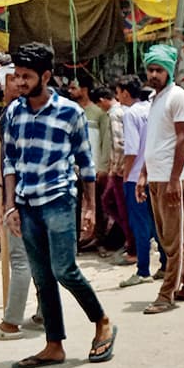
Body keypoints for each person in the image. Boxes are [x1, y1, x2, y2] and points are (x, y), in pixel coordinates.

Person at [1, 43, 115, 368]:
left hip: (60, 200)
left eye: (26, 76)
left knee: (64, 269)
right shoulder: (13, 113)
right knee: (41, 276)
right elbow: (9, 162)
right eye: (17, 76)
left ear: (46, 76)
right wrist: (10, 207)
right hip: (26, 203)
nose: (20, 82)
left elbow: (86, 165)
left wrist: (90, 208)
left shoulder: (70, 112)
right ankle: (54, 345)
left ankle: (102, 321)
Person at [0, 66, 45, 341]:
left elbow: (11, 163)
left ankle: (11, 323)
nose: (4, 88)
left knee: (21, 258)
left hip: (24, 194)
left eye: (6, 82)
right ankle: (44, 313)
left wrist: (9, 202)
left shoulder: (15, 113)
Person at [136, 45, 184, 314]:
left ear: (169, 71)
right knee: (172, 237)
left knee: (172, 242)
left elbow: (183, 139)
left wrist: (174, 179)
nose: (153, 74)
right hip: (156, 177)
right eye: (150, 69)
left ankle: (166, 294)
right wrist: (142, 174)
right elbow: (152, 141)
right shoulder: (155, 99)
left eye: (158, 70)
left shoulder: (179, 98)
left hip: (173, 178)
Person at [116, 75, 165, 287]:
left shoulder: (131, 114)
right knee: (158, 222)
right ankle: (165, 263)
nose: (117, 97)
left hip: (137, 174)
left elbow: (131, 150)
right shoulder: (152, 109)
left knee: (140, 224)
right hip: (156, 172)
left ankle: (143, 269)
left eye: (118, 92)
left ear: (126, 93)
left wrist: (126, 173)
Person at [67, 72, 113, 250]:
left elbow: (105, 140)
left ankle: (100, 241)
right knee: (74, 205)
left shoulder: (99, 113)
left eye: (74, 87)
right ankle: (74, 243)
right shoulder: (70, 111)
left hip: (93, 167)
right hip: (73, 167)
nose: (70, 91)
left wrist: (102, 166)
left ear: (84, 89)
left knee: (98, 206)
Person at [93, 86, 134, 264]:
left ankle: (132, 245)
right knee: (116, 204)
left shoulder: (114, 114)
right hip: (123, 168)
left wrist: (113, 169)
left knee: (118, 206)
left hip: (119, 170)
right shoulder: (124, 111)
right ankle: (130, 239)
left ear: (102, 100)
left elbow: (119, 144)